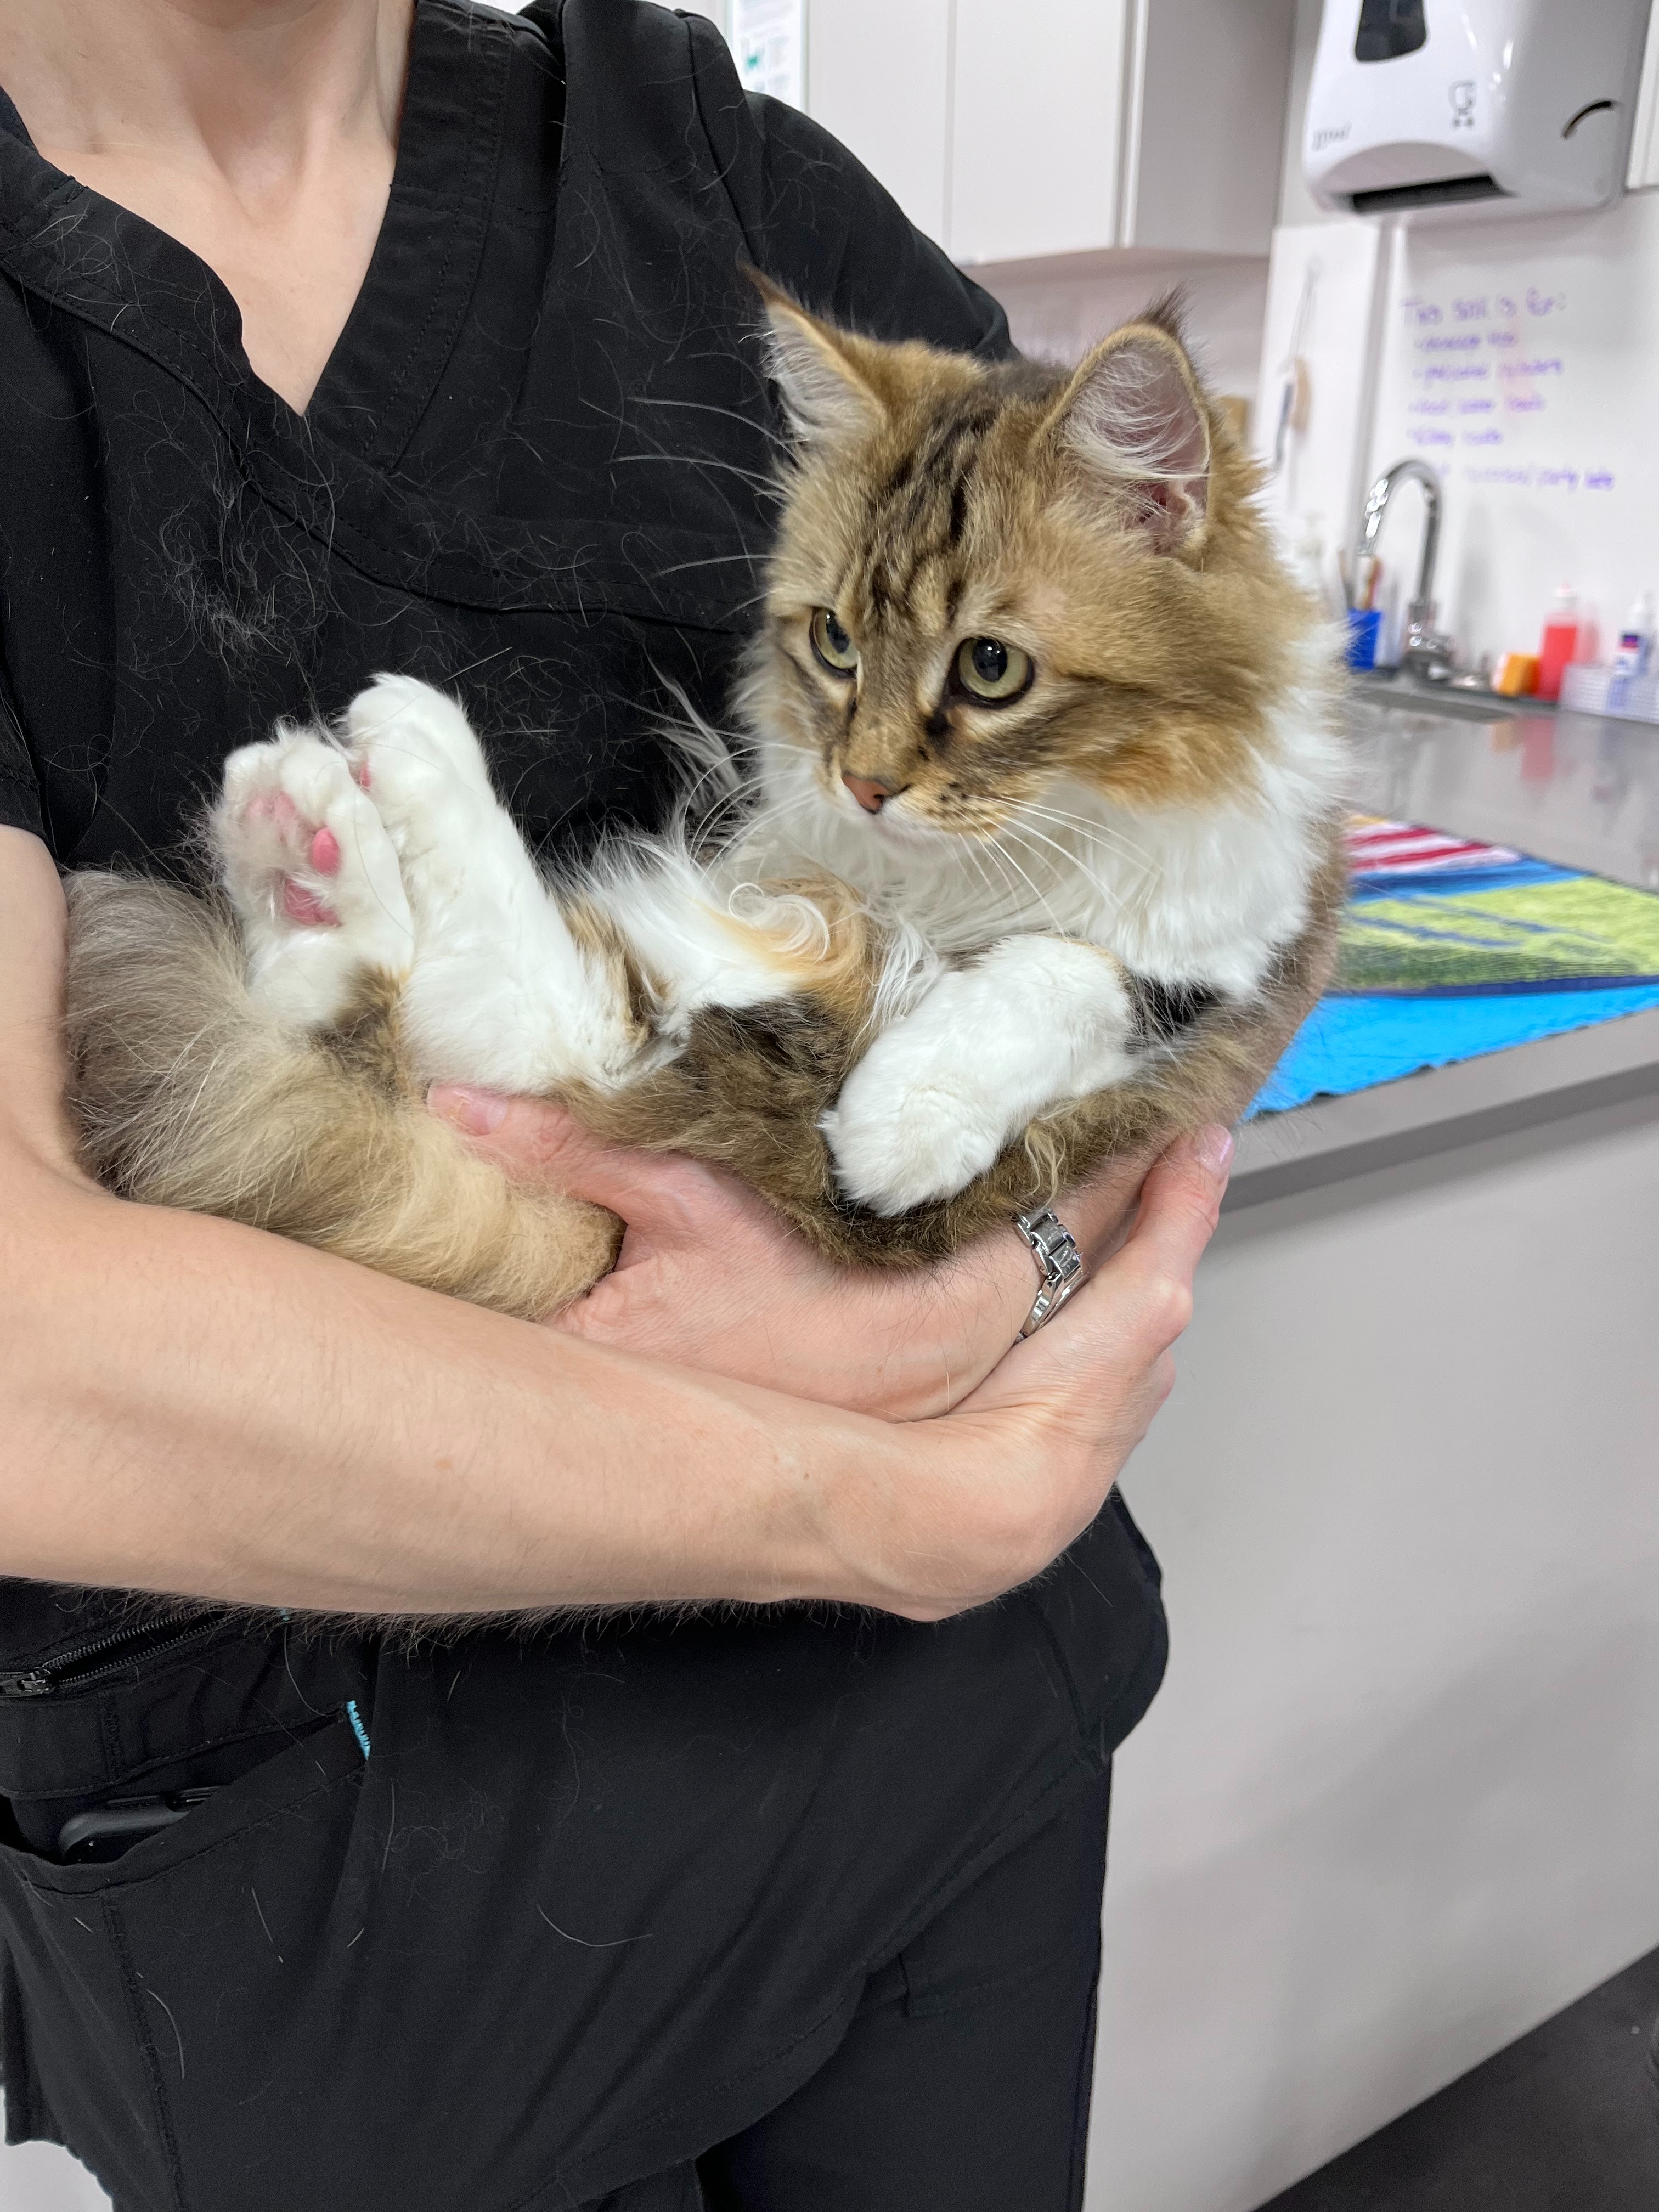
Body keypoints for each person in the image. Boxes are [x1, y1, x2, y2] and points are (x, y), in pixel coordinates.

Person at [0, 3, 1265, 2205]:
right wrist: (858, 1472)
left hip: (918, 1739)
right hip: (340, 1878)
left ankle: (404, 1012)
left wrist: (993, 1267)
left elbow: (1213, 860)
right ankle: (401, 1009)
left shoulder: (724, 183)